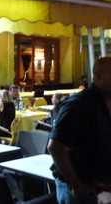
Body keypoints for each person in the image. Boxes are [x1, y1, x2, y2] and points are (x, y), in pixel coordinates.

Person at [48, 57, 111, 204]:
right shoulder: (78, 105)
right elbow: (55, 147)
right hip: (78, 187)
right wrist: (77, 185)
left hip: (100, 186)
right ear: (98, 76)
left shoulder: (106, 102)